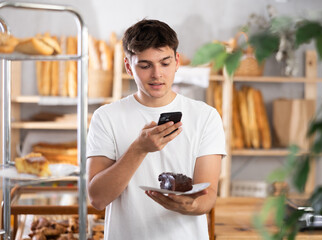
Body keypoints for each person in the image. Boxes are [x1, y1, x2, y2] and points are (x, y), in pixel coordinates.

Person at [86, 19, 226, 240]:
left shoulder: (205, 116)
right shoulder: (106, 117)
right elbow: (97, 198)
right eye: (145, 65)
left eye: (165, 63)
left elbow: (207, 197)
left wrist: (188, 206)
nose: (157, 74)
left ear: (177, 61)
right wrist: (139, 149)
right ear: (128, 66)